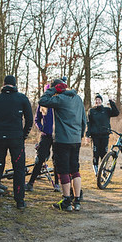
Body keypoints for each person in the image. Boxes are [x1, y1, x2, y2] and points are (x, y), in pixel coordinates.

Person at [0, 75, 33, 209]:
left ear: (4, 84)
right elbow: (29, 120)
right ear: (15, 84)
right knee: (19, 169)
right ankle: (20, 201)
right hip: (16, 138)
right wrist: (23, 135)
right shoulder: (22, 98)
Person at [38, 78, 87, 211]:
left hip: (62, 140)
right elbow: (84, 119)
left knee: (63, 170)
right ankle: (77, 200)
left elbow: (42, 101)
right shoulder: (78, 99)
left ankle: (66, 200)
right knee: (75, 169)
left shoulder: (60, 99)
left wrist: (52, 90)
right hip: (76, 140)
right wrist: (80, 135)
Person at [26, 101, 60, 192]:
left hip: (58, 136)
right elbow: (37, 119)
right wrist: (42, 128)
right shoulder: (43, 104)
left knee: (56, 160)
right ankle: (30, 183)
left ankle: (57, 184)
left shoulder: (59, 102)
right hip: (46, 135)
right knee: (40, 158)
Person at [86, 93, 119, 174]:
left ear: (101, 101)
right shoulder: (91, 111)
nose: (98, 101)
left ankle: (103, 170)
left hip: (105, 135)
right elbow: (89, 124)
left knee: (104, 154)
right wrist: (87, 135)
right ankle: (96, 171)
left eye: (99, 100)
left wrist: (111, 102)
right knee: (96, 154)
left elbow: (116, 113)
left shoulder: (106, 110)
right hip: (95, 136)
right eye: (96, 100)